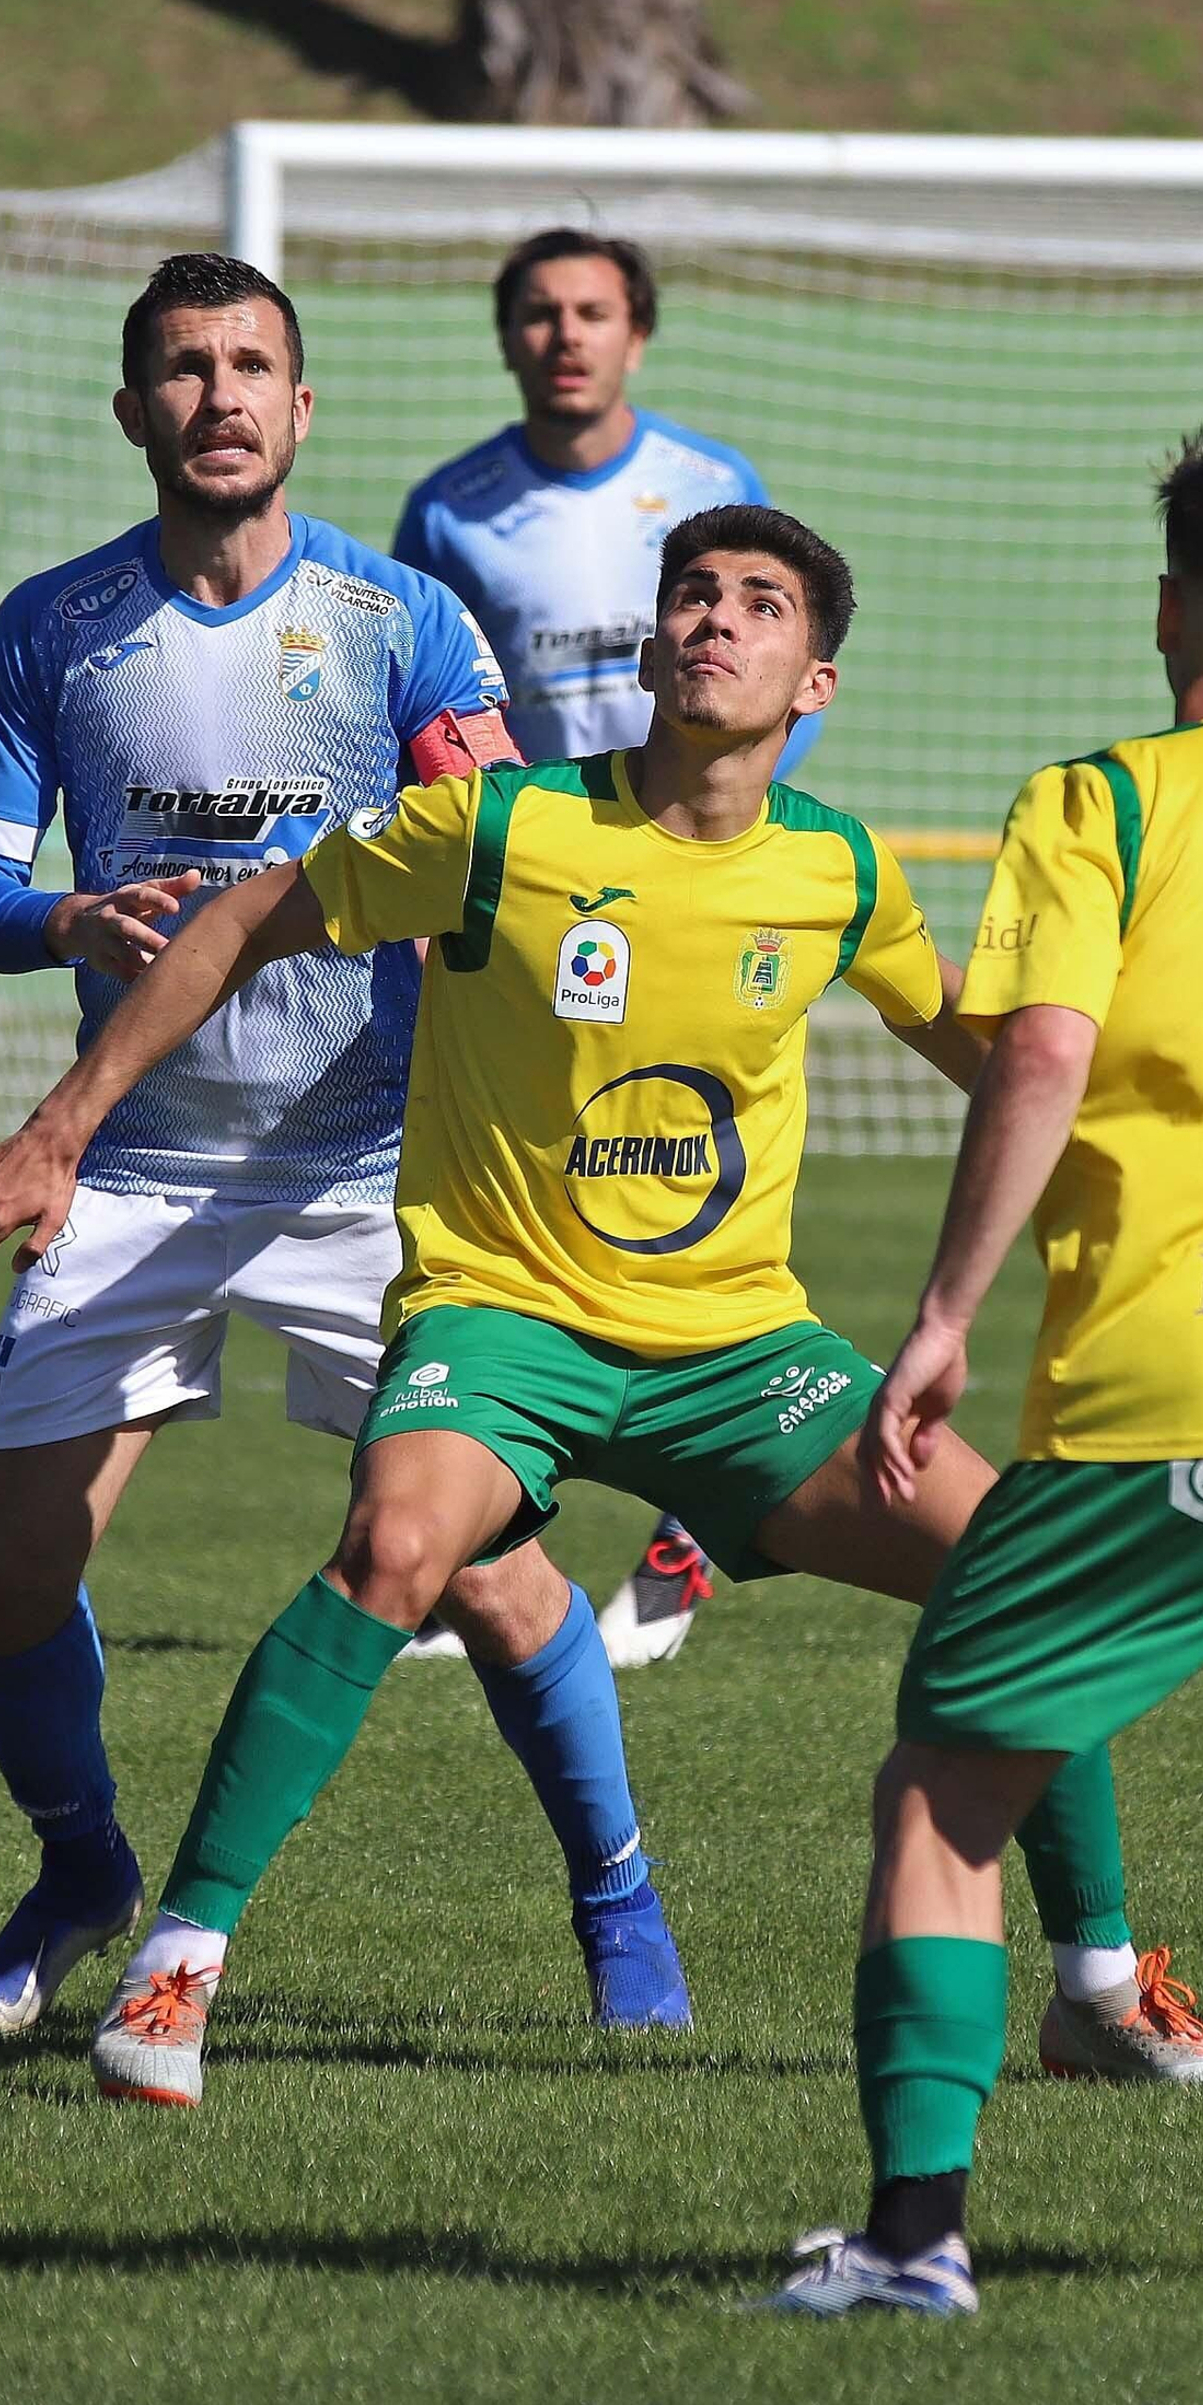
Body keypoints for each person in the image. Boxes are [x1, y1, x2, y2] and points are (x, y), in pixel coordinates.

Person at [0, 501, 1203, 2136]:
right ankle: (175, 1963)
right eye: (690, 594)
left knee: (1026, 1574)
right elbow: (252, 917)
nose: (713, 621)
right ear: (644, 639)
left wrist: (1172, 1154)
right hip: (507, 1323)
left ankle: (1100, 1990)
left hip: (739, 1349)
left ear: (814, 678)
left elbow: (985, 1050)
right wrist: (64, 1126)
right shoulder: (500, 827)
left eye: (758, 604)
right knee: (397, 1549)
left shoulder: (839, 864)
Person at [0, 250, 689, 2045]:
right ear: (136, 411)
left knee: (490, 1572)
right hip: (138, 1171)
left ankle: (617, 1892)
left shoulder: (403, 616)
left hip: (375, 1179)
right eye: (184, 369)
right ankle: (79, 1865)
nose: (220, 395)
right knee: (13, 1578)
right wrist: (69, 918)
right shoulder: (53, 625)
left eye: (251, 363)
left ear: (302, 404)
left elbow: (500, 839)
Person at [771, 421, 1203, 2323]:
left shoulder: (1101, 802)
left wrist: (949, 1309)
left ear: (1164, 611)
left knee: (953, 1790)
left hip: (1161, 1417)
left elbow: (1039, 1054)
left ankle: (909, 2245)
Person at [395, 226, 805, 1667]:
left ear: (638, 334)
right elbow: (422, 710)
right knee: (530, 1227)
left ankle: (689, 1525)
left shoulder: (712, 486)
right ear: (507, 337)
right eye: (539, 313)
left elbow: (769, 675)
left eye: (593, 311)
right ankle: (495, 1551)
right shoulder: (448, 510)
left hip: (692, 900)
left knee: (691, 1188)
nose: (566, 335)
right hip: (526, 915)